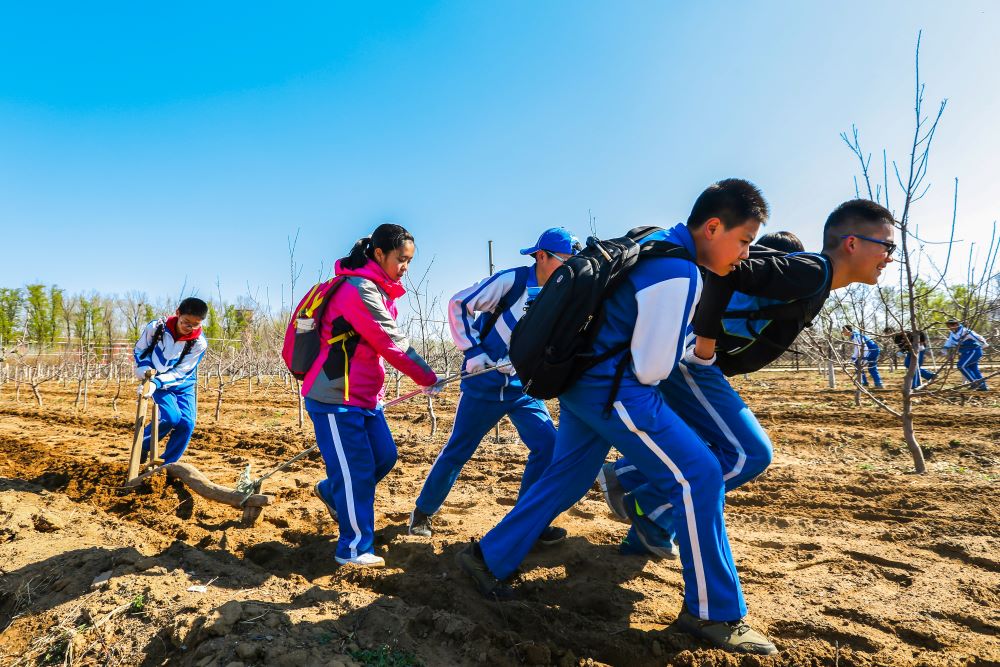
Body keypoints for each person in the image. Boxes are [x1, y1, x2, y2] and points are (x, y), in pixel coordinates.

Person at [457, 178, 779, 655]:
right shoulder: (679, 270)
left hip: (581, 383)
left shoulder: (650, 240)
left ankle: (488, 558)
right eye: (745, 240)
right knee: (699, 474)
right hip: (618, 390)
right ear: (714, 227)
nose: (746, 255)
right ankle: (715, 614)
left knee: (567, 476)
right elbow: (652, 368)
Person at [601, 199, 895, 571]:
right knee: (748, 454)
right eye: (887, 246)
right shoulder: (811, 270)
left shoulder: (814, 278)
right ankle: (651, 507)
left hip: (698, 365)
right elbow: (728, 271)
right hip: (695, 363)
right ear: (852, 243)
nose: (889, 257)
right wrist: (705, 345)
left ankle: (632, 491)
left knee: (708, 446)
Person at [408, 228, 580, 542]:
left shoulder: (562, 293)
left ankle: (526, 521)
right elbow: (458, 303)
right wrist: (473, 351)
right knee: (459, 449)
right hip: (484, 383)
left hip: (522, 387)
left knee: (548, 446)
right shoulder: (511, 281)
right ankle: (422, 512)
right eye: (564, 261)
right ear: (541, 256)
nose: (569, 268)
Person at [304, 223, 439, 567]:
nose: (406, 267)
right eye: (401, 259)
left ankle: (332, 492)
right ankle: (352, 549)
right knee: (357, 473)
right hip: (335, 396)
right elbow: (390, 343)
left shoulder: (379, 290)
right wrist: (426, 377)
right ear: (379, 254)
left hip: (363, 396)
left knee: (384, 457)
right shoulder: (359, 290)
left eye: (409, 260)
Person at [133, 297, 209, 465]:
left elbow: (182, 372)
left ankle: (167, 465)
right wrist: (144, 370)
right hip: (155, 376)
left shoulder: (199, 343)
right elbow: (140, 349)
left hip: (183, 382)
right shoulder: (156, 328)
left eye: (195, 324)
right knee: (170, 417)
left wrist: (157, 382)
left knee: (187, 424)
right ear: (177, 314)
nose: (189, 328)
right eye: (186, 322)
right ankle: (143, 446)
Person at [943, 318, 989, 390]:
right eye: (948, 326)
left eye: (950, 326)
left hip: (973, 351)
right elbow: (949, 342)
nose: (949, 328)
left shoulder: (965, 331)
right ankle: (983, 386)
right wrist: (944, 349)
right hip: (966, 353)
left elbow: (978, 337)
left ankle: (974, 383)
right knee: (973, 368)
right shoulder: (952, 333)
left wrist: (984, 344)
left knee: (961, 366)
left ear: (956, 325)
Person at [842, 324, 883, 388]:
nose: (842, 332)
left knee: (859, 365)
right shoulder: (855, 335)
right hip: (874, 350)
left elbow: (865, 347)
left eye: (843, 330)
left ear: (848, 330)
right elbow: (857, 349)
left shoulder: (856, 336)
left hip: (871, 350)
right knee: (871, 368)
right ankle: (878, 383)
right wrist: (853, 359)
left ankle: (863, 382)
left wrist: (864, 358)